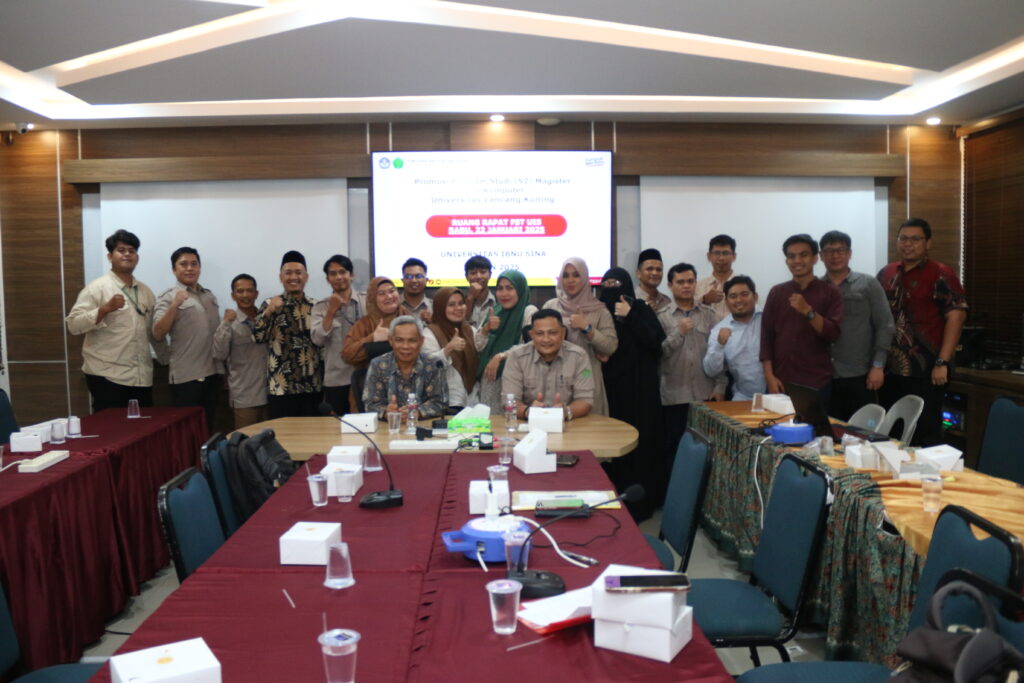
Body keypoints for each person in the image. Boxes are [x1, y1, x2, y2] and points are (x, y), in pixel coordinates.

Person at [878, 218, 967, 446]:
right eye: (903, 239)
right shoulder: (887, 273)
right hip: (890, 370)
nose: (908, 244)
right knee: (891, 433)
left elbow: (956, 317)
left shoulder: (941, 273)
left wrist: (942, 361)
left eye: (915, 239)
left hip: (927, 370)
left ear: (928, 243)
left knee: (924, 433)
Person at [66, 229, 166, 413]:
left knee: (142, 427)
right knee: (112, 428)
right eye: (121, 250)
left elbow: (153, 332)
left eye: (132, 251)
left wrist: (167, 360)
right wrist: (104, 309)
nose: (127, 254)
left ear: (137, 257)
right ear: (110, 256)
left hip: (141, 376)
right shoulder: (97, 288)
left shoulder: (145, 291)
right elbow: (73, 325)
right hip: (107, 376)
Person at [598, 267, 666, 522]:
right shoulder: (599, 312)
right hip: (610, 394)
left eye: (617, 283)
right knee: (611, 451)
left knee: (641, 448)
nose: (611, 288)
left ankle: (639, 505)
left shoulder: (640, 308)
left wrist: (632, 315)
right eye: (607, 284)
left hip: (640, 393)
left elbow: (656, 343)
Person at [820, 230, 895, 421]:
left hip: (861, 374)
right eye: (829, 251)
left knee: (861, 431)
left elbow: (885, 325)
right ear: (821, 256)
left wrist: (878, 365)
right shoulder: (816, 288)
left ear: (849, 253)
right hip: (824, 375)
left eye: (840, 250)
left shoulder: (868, 284)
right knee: (829, 430)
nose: (835, 256)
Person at [760, 234, 842, 398]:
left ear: (815, 258)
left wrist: (808, 312)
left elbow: (833, 334)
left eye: (803, 255)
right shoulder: (777, 292)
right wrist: (769, 376)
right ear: (786, 261)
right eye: (791, 256)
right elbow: (766, 337)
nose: (797, 261)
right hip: (780, 381)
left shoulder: (830, 292)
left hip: (816, 381)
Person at [658, 262, 723, 459]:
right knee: (674, 450)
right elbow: (658, 354)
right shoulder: (661, 317)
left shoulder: (709, 314)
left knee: (708, 451)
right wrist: (679, 332)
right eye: (680, 282)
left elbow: (719, 352)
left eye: (690, 281)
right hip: (674, 396)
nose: (686, 286)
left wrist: (720, 386)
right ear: (670, 285)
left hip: (705, 394)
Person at [152, 246, 221, 429]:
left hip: (213, 373)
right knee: (187, 432)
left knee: (208, 428)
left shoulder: (209, 296)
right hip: (187, 376)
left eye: (194, 264)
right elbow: (158, 333)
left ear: (199, 268)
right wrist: (174, 305)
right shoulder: (168, 297)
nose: (190, 268)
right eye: (183, 264)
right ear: (174, 269)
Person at [542, 257, 617, 416]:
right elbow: (537, 341)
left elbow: (610, 346)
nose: (570, 280)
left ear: (584, 277)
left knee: (588, 430)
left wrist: (587, 328)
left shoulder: (599, 311)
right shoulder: (551, 306)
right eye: (566, 275)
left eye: (576, 275)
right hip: (554, 382)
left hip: (587, 380)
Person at [253, 250, 322, 418]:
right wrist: (269, 311)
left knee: (313, 431)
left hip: (312, 385)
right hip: (281, 388)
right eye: (288, 273)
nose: (293, 277)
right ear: (280, 277)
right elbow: (257, 337)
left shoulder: (316, 305)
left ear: (306, 276)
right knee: (284, 433)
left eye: (298, 272)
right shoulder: (269, 304)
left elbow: (323, 342)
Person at [501, 309, 594, 422]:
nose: (546, 339)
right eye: (540, 333)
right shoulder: (517, 357)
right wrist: (528, 412)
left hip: (568, 425)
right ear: (531, 335)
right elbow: (509, 401)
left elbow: (585, 400)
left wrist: (566, 411)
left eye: (553, 333)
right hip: (528, 425)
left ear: (563, 333)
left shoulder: (579, 356)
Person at [212, 274, 269, 429]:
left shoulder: (266, 318)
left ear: (256, 294)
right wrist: (225, 323)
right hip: (245, 397)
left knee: (272, 441)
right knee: (247, 440)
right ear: (233, 295)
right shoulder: (229, 322)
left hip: (270, 394)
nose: (245, 295)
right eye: (240, 291)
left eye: (249, 291)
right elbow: (219, 354)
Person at [363, 315, 448, 419]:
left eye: (412, 340)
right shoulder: (378, 365)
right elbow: (370, 405)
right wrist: (386, 412)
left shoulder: (434, 364)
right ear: (390, 340)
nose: (405, 346)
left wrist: (417, 412)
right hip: (389, 426)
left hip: (422, 425)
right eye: (399, 340)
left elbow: (441, 403)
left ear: (421, 341)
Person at [475, 270, 537, 412]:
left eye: (509, 288)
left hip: (518, 379)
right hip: (491, 380)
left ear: (520, 289)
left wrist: (501, 356)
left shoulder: (529, 311)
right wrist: (486, 328)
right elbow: (477, 346)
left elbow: (531, 345)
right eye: (500, 288)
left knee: (514, 418)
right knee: (492, 421)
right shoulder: (494, 311)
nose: (504, 293)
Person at [310, 255, 364, 415]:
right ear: (328, 279)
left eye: (342, 272)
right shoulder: (320, 307)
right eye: (333, 274)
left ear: (351, 275)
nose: (338, 277)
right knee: (337, 426)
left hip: (365, 375)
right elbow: (317, 340)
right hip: (337, 378)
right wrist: (331, 311)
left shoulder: (367, 301)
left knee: (367, 423)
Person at [704, 276, 767, 401]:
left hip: (778, 395)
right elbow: (710, 370)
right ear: (726, 302)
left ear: (755, 297)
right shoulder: (719, 330)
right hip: (744, 397)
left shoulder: (769, 317)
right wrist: (719, 345)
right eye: (733, 296)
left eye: (744, 294)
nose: (739, 300)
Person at [422, 287, 480, 409]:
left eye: (461, 303)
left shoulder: (470, 330)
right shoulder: (429, 333)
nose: (458, 308)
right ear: (440, 308)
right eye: (451, 305)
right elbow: (427, 367)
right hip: (445, 403)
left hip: (473, 400)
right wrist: (448, 349)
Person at [695, 234, 737, 321]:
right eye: (717, 253)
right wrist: (704, 300)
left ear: (734, 256)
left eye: (725, 253)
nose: (721, 258)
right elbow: (688, 313)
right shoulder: (697, 286)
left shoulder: (744, 286)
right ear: (709, 256)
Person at [464, 254, 496, 329]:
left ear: (490, 275)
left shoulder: (499, 301)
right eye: (473, 273)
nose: (478, 277)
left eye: (483, 272)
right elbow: (460, 325)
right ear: (467, 277)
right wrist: (470, 298)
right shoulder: (460, 301)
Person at [635, 248, 672, 313]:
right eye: (649, 269)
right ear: (638, 273)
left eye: (659, 269)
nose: (655, 273)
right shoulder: (631, 300)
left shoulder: (667, 301)